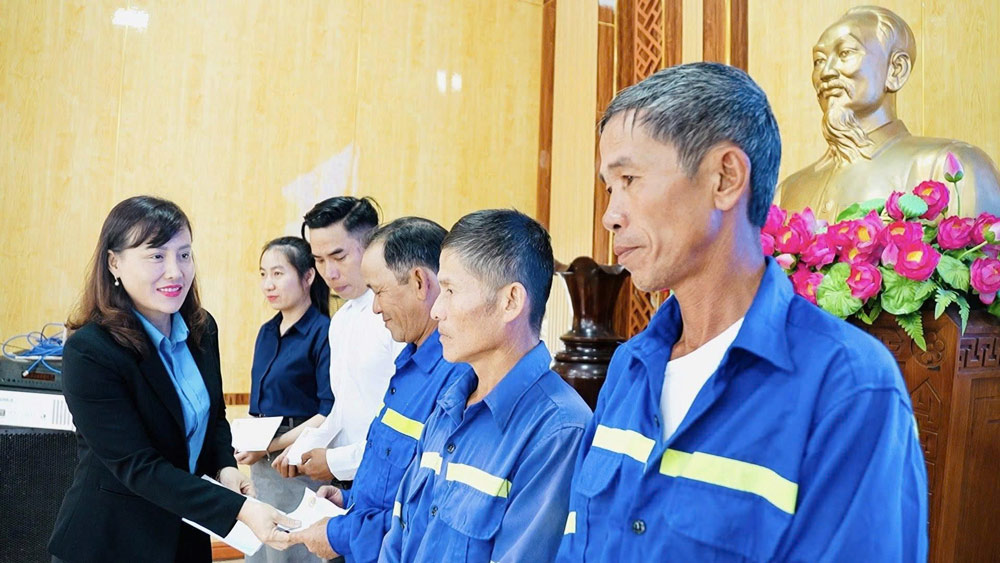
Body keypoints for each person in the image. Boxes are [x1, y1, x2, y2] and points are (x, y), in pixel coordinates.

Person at [555, 62, 927, 561]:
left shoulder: (847, 386)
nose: (610, 215)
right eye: (609, 187)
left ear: (725, 178)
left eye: (630, 179)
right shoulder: (630, 368)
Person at [49, 196, 296, 563]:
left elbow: (213, 416)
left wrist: (225, 466)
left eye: (184, 254)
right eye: (156, 256)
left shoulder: (201, 329)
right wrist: (239, 509)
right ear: (114, 262)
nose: (175, 271)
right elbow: (139, 466)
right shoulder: (91, 352)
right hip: (110, 542)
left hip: (184, 537)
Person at [378, 209, 592, 563]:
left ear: (510, 301)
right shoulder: (448, 406)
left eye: (449, 290)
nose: (436, 311)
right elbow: (398, 537)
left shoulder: (559, 431)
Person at [286, 217, 470, 562]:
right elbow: (393, 469)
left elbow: (425, 513)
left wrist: (339, 534)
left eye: (380, 292)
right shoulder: (410, 365)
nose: (375, 307)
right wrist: (352, 498)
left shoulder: (454, 379)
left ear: (419, 282)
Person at [777, 5, 1000, 219]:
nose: (825, 72)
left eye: (845, 53)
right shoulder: (786, 193)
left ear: (896, 69)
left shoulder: (951, 167)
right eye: (819, 60)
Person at [272, 197, 405, 487]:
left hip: (390, 477)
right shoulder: (341, 320)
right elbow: (342, 408)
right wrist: (304, 445)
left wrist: (336, 462)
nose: (329, 273)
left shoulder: (399, 314)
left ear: (371, 245)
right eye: (319, 260)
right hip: (350, 481)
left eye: (339, 256)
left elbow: (406, 423)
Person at [237, 236, 334, 563]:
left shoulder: (324, 332)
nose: (268, 284)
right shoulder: (266, 331)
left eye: (278, 273)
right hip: (262, 462)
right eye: (263, 274)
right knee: (261, 551)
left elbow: (329, 411)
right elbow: (259, 408)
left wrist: (269, 446)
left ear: (308, 277)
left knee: (292, 551)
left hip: (298, 462)